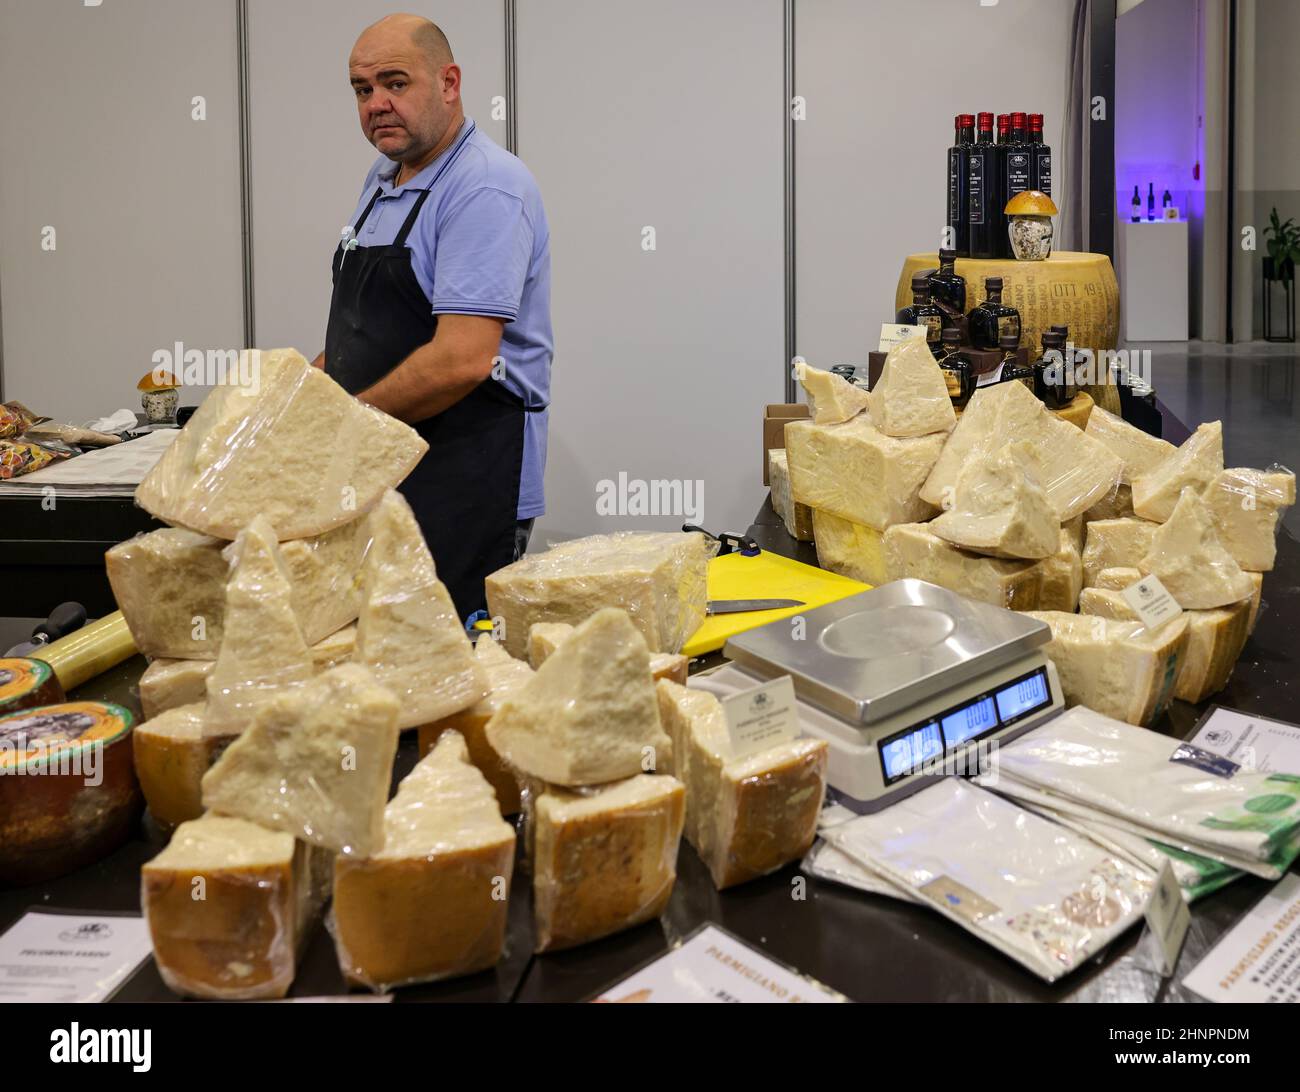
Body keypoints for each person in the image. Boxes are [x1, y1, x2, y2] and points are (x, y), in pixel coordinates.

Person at [314, 13, 552, 618]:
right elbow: (359, 333)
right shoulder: (383, 177)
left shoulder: (486, 188)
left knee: (449, 685)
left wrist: (341, 424)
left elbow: (462, 360)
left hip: (463, 486)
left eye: (396, 83)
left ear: (449, 83)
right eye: (362, 90)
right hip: (383, 478)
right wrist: (290, 404)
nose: (377, 104)